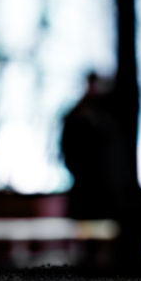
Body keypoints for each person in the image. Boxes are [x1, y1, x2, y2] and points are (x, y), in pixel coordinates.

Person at [57, 73, 118, 221]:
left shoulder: (108, 114)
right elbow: (66, 151)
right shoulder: (75, 115)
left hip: (106, 194)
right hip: (83, 192)